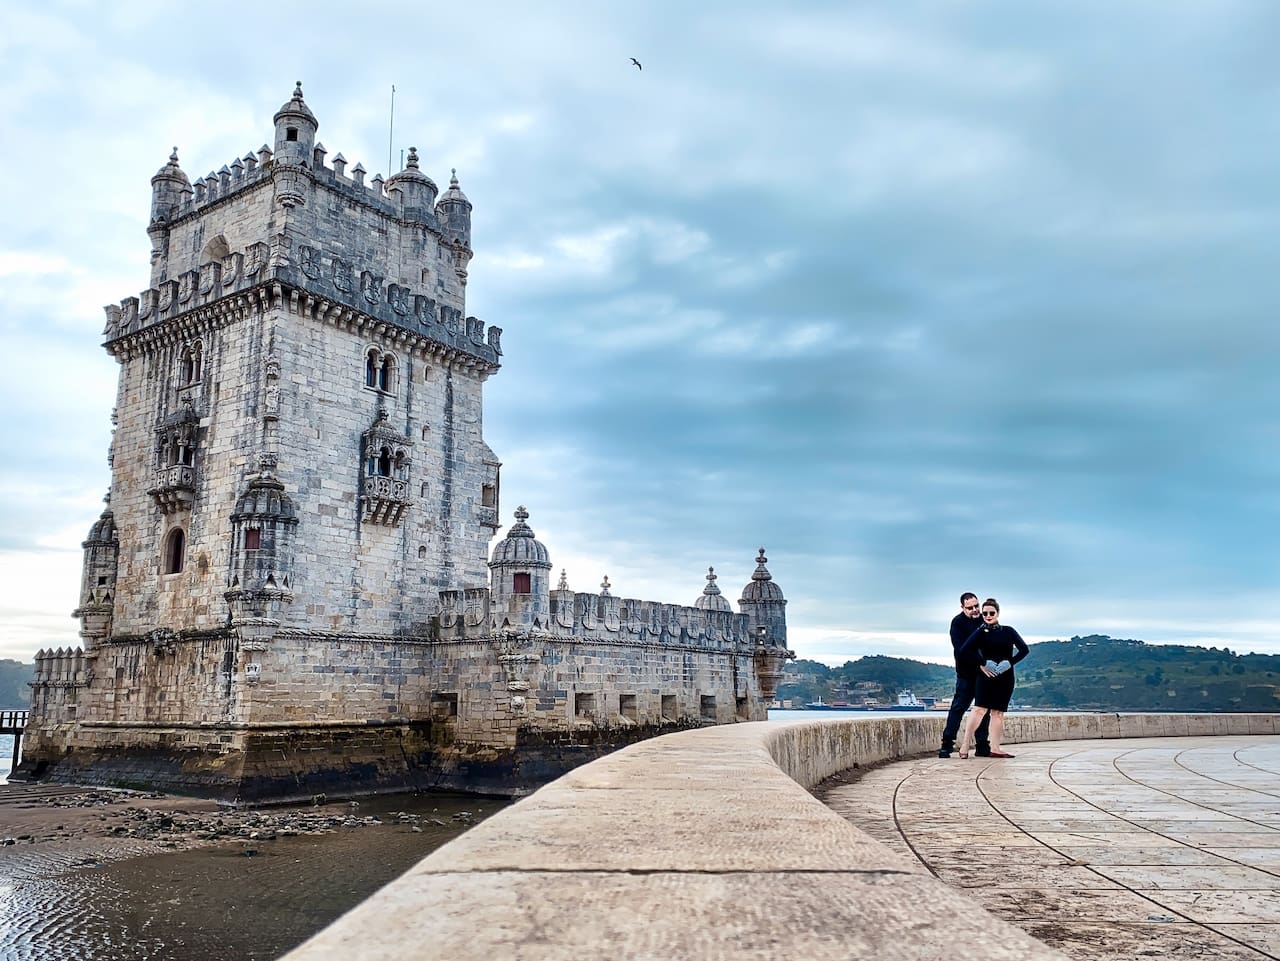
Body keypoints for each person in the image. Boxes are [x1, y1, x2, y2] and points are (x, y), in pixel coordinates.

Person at [957, 598, 1029, 759]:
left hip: (1005, 677)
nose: (988, 616)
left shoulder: (1009, 631)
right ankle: (965, 743)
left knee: (998, 713)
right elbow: (964, 651)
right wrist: (982, 662)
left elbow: (1024, 650)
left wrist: (1010, 662)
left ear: (997, 613)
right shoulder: (980, 632)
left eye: (991, 613)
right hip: (986, 676)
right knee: (979, 709)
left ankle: (995, 748)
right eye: (985, 613)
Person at [939, 593, 991, 758]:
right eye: (970, 608)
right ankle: (947, 745)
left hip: (985, 674)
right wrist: (980, 663)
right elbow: (961, 650)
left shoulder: (985, 619)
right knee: (958, 708)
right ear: (962, 607)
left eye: (976, 606)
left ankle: (982, 745)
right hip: (966, 673)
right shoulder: (957, 623)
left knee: (983, 710)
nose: (975, 610)